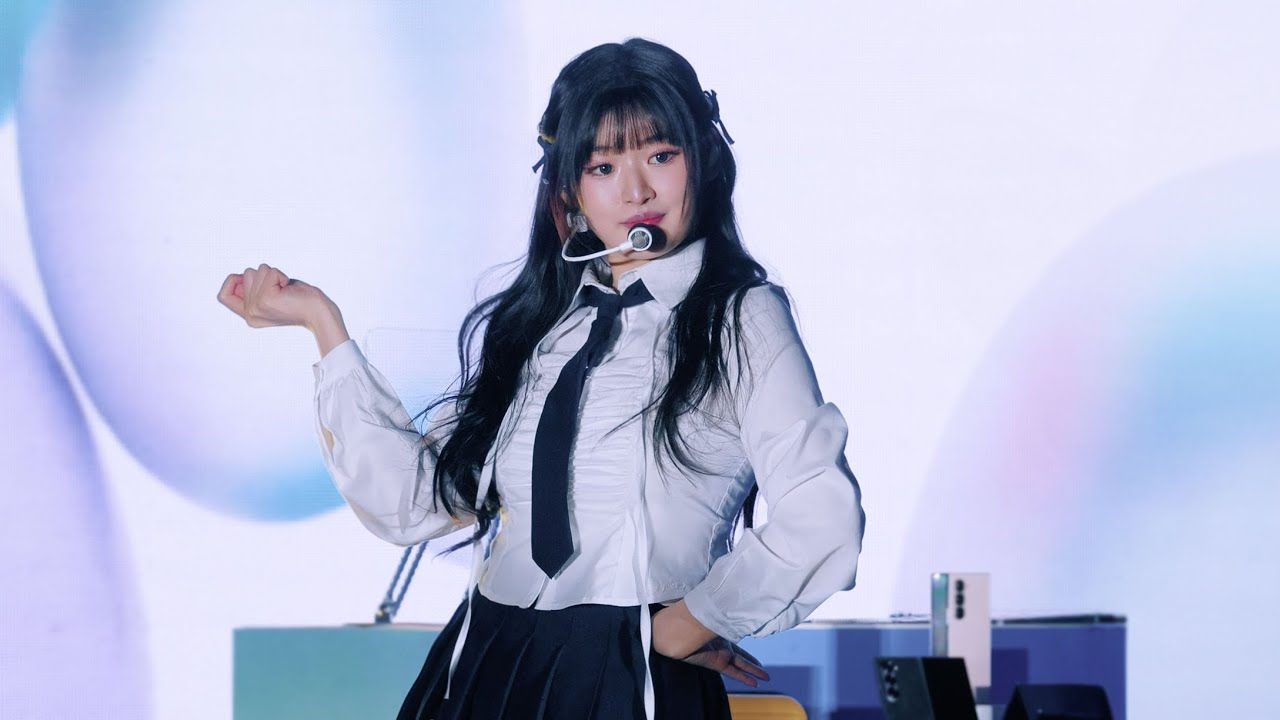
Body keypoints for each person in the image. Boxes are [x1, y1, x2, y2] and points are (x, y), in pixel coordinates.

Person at [218, 38, 864, 720]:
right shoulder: (542, 328)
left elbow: (821, 516)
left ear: (702, 161)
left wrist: (688, 623)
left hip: (628, 675)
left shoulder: (740, 316)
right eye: (603, 166)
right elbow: (413, 504)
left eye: (660, 155)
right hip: (486, 659)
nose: (636, 191)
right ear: (569, 192)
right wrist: (324, 327)